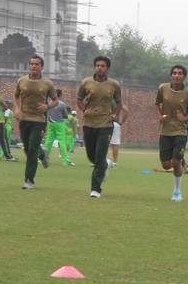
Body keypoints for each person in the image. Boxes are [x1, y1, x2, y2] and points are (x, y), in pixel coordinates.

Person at [77, 55, 122, 198]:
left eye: (103, 66)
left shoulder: (114, 85)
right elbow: (79, 100)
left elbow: (119, 103)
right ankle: (105, 164)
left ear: (108, 69)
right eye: (97, 65)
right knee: (92, 157)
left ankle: (95, 189)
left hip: (106, 125)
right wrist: (85, 110)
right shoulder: (86, 82)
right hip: (89, 124)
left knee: (100, 154)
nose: (99, 68)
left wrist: (115, 114)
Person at [155, 64, 188, 202]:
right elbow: (157, 104)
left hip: (180, 131)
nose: (177, 75)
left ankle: (177, 192)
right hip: (165, 131)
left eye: (180, 73)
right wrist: (159, 116)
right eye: (174, 73)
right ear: (171, 76)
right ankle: (181, 162)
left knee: (175, 162)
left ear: (184, 77)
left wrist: (184, 119)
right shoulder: (163, 88)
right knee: (166, 164)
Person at [14, 55, 58, 189]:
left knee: (32, 149)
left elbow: (55, 100)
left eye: (36, 64)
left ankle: (29, 181)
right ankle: (42, 153)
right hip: (24, 119)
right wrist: (17, 109)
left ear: (42, 67)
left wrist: (47, 106)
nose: (33, 66)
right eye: (31, 63)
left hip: (39, 121)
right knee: (28, 149)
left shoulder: (47, 83)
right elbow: (16, 96)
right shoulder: (22, 81)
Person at [44, 89, 73, 166]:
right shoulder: (62, 104)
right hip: (59, 124)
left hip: (51, 123)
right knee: (62, 142)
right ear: (60, 95)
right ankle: (66, 160)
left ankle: (43, 157)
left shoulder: (50, 103)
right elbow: (66, 116)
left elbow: (49, 114)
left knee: (48, 141)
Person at [110, 102, 129, 168]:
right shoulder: (117, 100)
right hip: (115, 123)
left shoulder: (104, 96)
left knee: (103, 142)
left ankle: (100, 161)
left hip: (105, 123)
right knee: (114, 144)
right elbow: (126, 111)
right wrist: (122, 121)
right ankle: (114, 162)